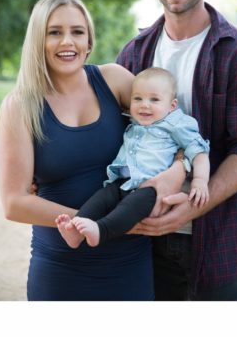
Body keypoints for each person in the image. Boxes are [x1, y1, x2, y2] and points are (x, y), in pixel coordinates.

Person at [0, 0, 186, 301]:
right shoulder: (20, 106)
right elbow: (14, 203)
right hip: (61, 267)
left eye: (77, 31)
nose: (67, 42)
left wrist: (177, 170)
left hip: (130, 263)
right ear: (37, 41)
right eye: (54, 32)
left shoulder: (113, 80)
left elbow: (175, 124)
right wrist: (96, 223)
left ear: (89, 41)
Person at [117, 0, 237, 300]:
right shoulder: (134, 54)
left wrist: (191, 209)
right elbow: (112, 134)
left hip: (217, 240)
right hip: (142, 239)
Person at [56, 67, 210, 249]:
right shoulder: (134, 121)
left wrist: (200, 181)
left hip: (152, 189)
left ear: (172, 106)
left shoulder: (176, 124)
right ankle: (75, 229)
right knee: (103, 196)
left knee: (130, 206)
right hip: (124, 182)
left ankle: (101, 230)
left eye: (154, 99)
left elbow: (198, 150)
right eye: (138, 98)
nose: (144, 104)